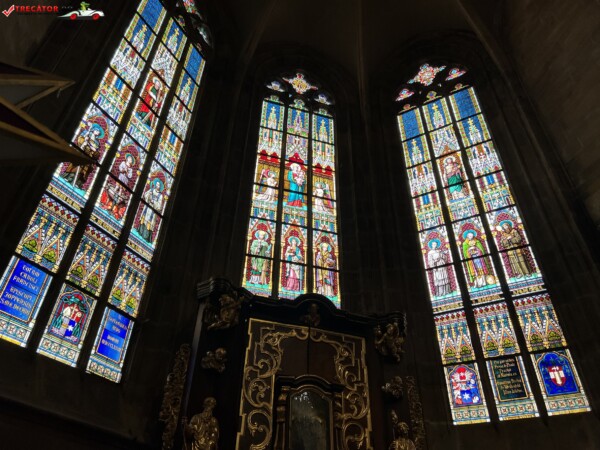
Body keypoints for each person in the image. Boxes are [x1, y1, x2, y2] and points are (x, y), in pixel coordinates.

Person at [137, 178, 164, 242]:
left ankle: (146, 237)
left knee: (149, 223)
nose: (157, 186)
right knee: (144, 219)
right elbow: (145, 195)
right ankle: (140, 231)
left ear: (160, 187)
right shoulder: (151, 190)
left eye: (159, 185)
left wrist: (153, 202)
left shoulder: (160, 196)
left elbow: (159, 207)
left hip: (153, 212)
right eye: (157, 184)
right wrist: (149, 195)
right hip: (146, 209)